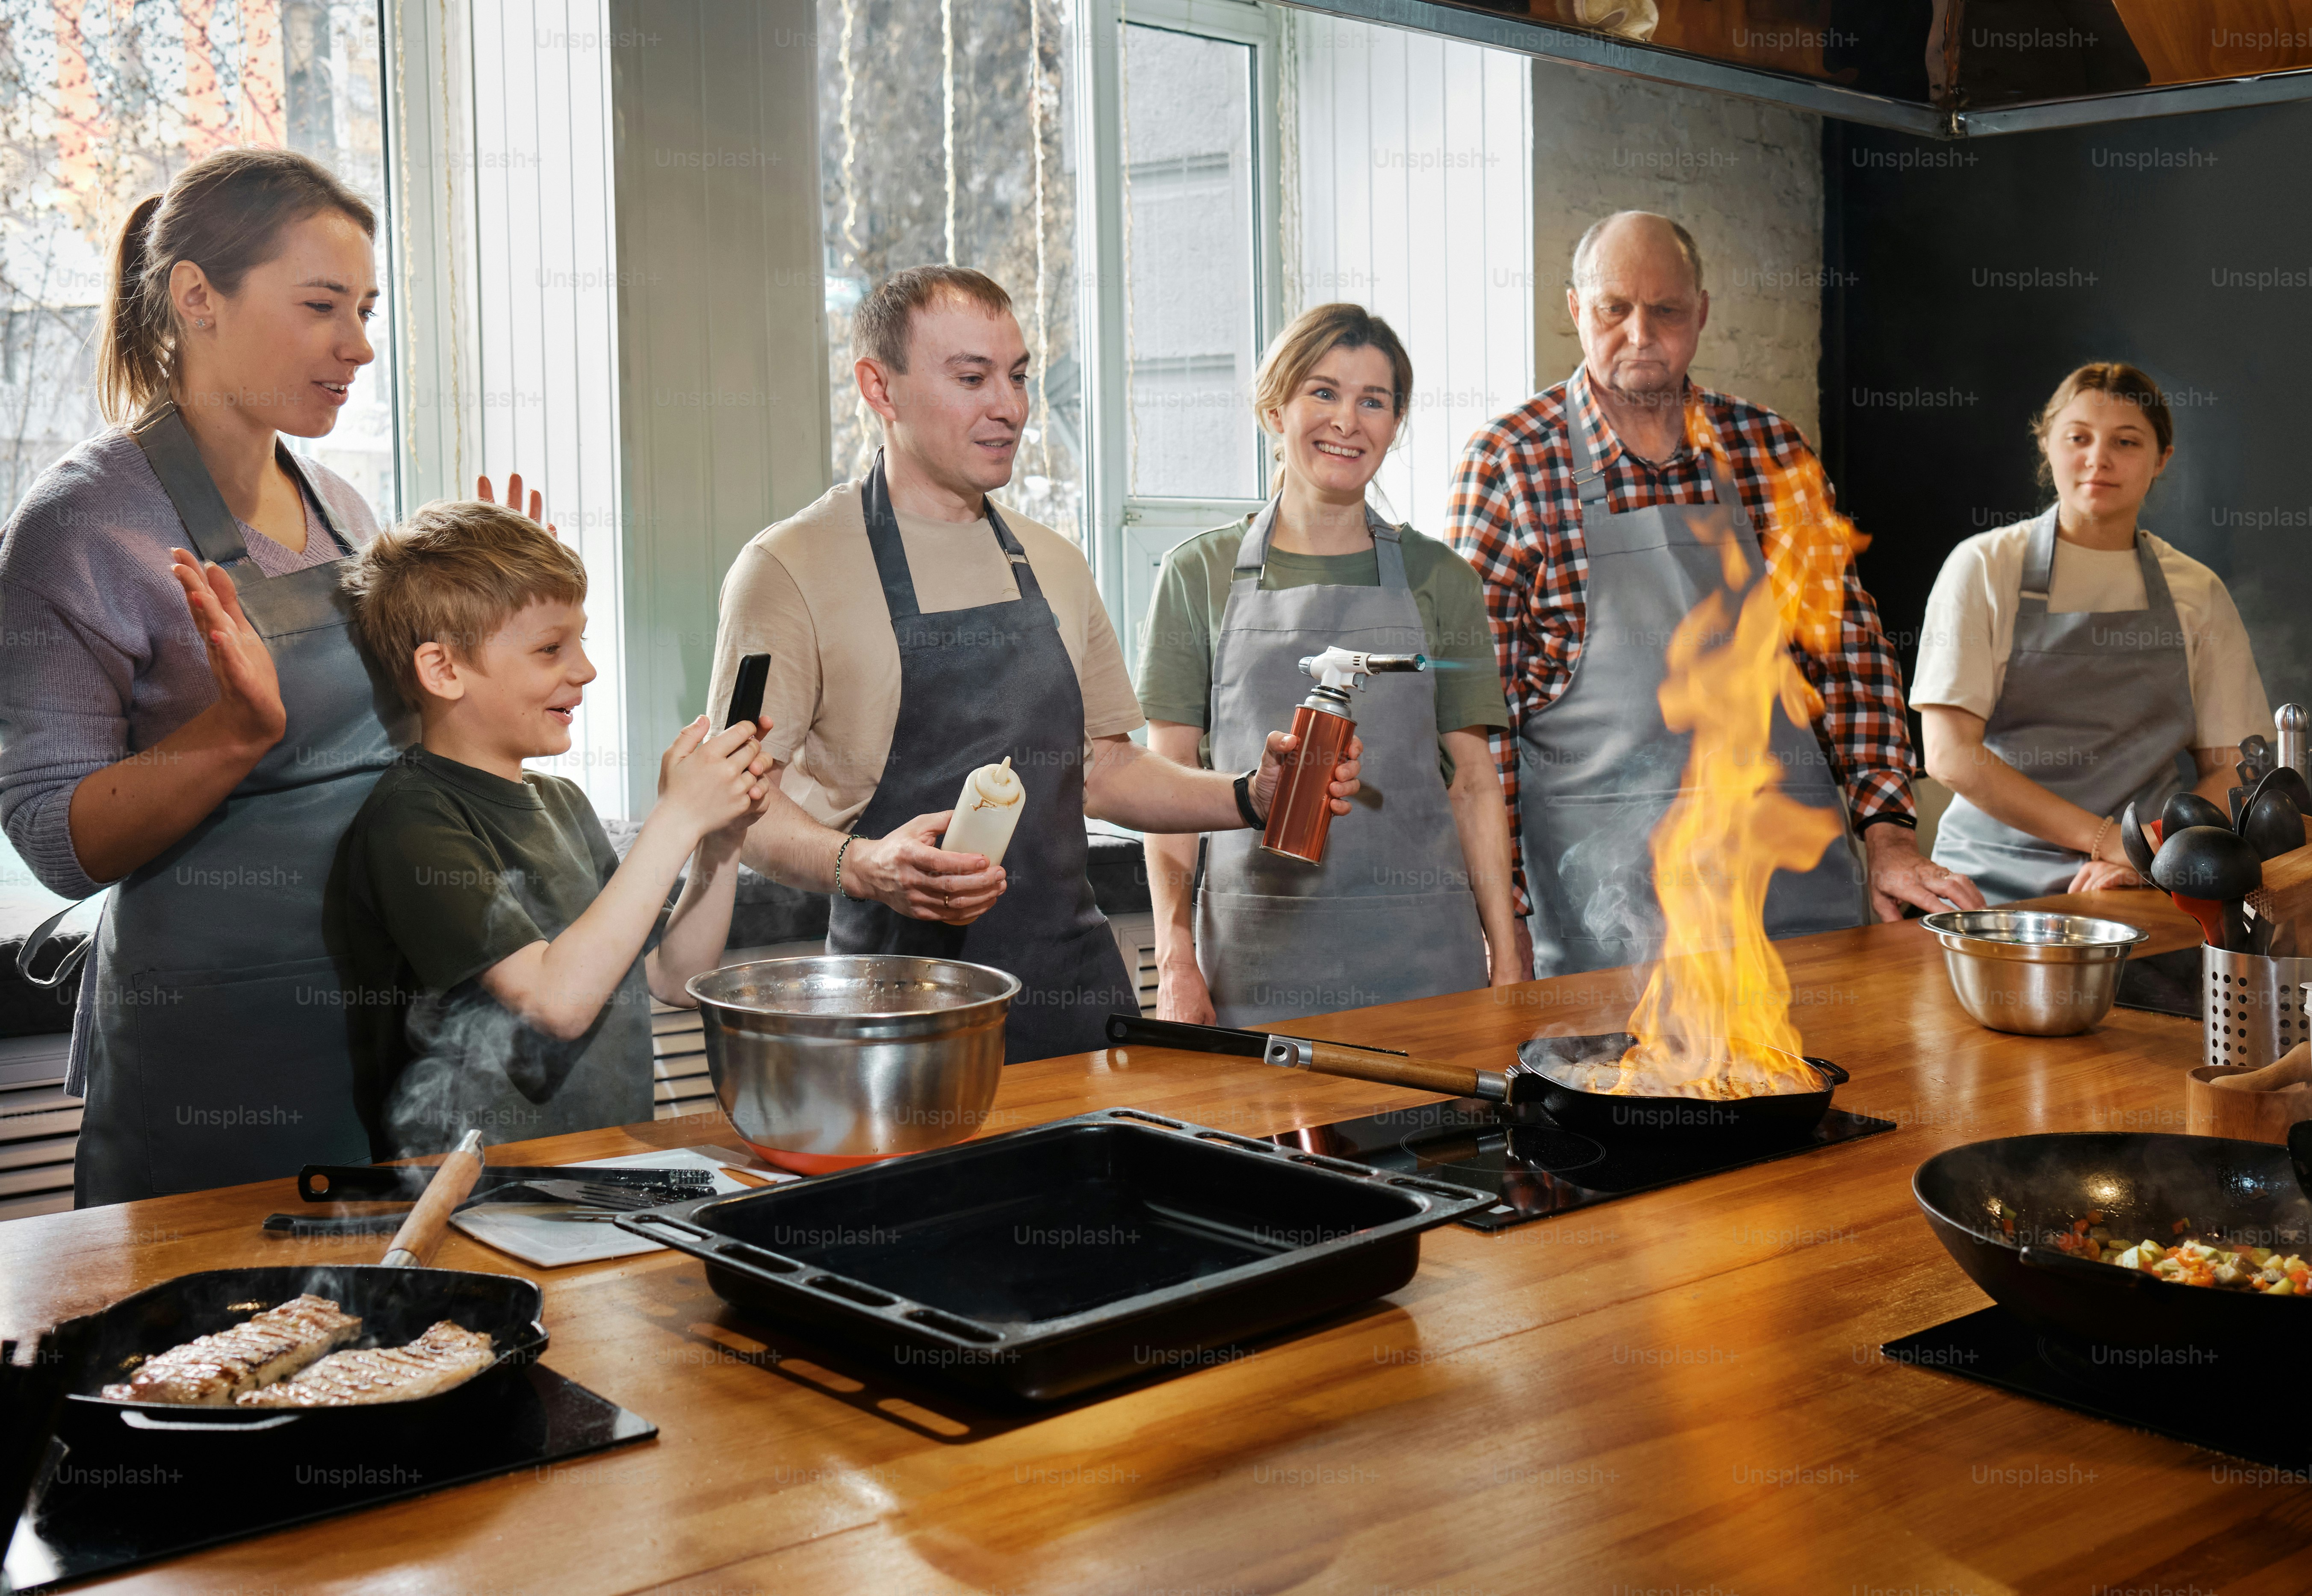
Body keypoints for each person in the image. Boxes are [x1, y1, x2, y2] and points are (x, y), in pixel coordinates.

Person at [707, 266, 1358, 1063]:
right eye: (972, 378)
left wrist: (1247, 796)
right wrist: (866, 865)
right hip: (901, 1029)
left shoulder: (1052, 561)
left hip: (1074, 1009)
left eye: (1017, 376)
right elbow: (739, 804)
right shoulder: (789, 568)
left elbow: (1104, 770)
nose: (1010, 407)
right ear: (880, 386)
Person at [0, 148, 403, 1204]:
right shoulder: (79, 525)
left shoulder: (344, 512)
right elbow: (57, 839)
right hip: (206, 1055)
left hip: (373, 1027)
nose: (358, 345)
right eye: (323, 306)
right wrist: (232, 733)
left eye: (365, 309)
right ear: (197, 298)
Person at [1446, 211, 1983, 978]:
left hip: (1792, 904)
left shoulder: (1769, 449)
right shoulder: (1510, 461)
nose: (1640, 332)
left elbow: (1851, 657)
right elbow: (1481, 722)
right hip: (1608, 916)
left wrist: (1890, 832)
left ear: (1700, 313)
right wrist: (1508, 922)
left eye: (1665, 310)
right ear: (1575, 310)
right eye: (1614, 308)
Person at [335, 502, 773, 1156]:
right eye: (550, 649)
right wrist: (676, 817)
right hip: (475, 1193)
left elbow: (675, 977)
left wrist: (720, 837)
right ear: (443, 670)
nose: (586, 670)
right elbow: (556, 1003)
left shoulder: (563, 803)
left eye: (581, 642)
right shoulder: (413, 820)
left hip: (600, 1172)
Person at [1137, 304, 1519, 1025]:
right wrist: (1176, 958)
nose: (1347, 421)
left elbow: (1473, 782)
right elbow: (1168, 786)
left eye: (1372, 401)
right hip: (1255, 966)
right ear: (1275, 407)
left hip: (1425, 963)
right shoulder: (1198, 574)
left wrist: (1507, 958)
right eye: (1323, 392)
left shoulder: (1442, 578)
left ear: (1395, 424)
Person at [1918, 362, 2269, 902]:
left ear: (2160, 460)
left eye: (2125, 441)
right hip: (1984, 886)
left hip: (2139, 882)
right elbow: (1949, 754)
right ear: (2047, 446)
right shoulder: (1984, 567)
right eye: (2077, 438)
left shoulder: (2195, 592)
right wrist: (2106, 839)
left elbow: (2231, 768)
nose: (2097, 459)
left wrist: (2155, 852)